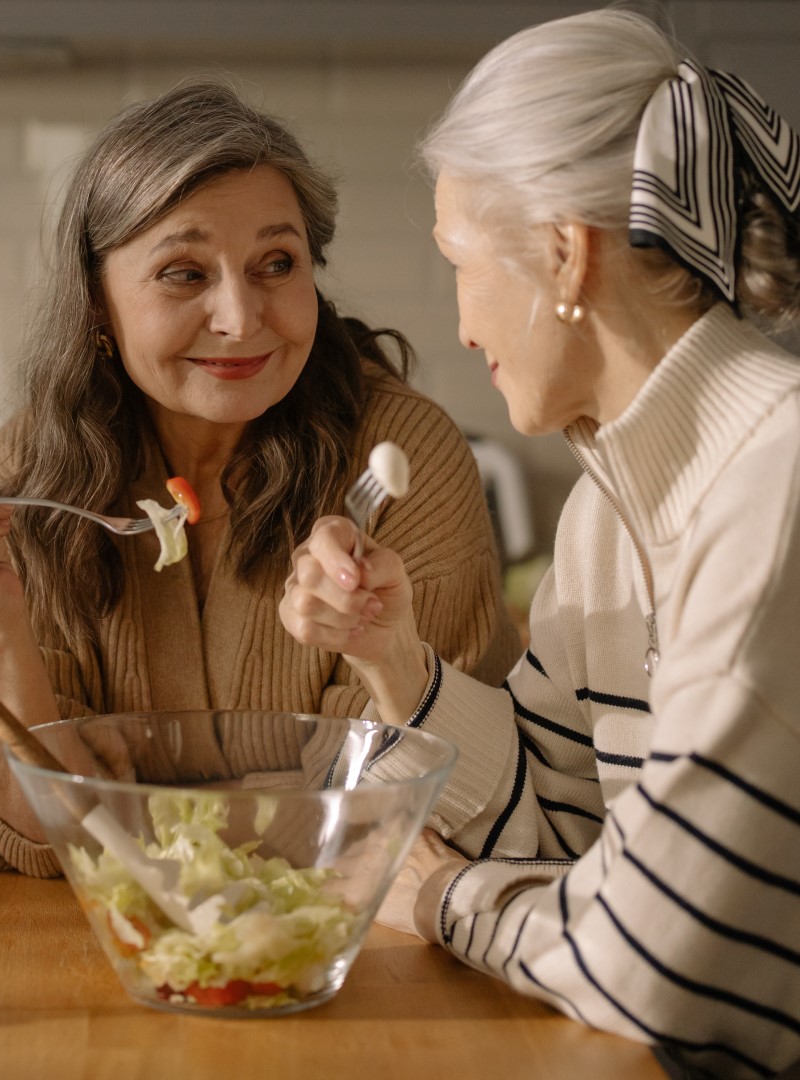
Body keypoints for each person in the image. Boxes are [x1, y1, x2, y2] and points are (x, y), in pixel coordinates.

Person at [279, 10, 800, 1078]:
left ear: (565, 254)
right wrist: (393, 655)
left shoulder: (776, 486)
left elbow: (656, 965)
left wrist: (432, 897)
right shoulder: (610, 506)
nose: (462, 326)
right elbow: (561, 823)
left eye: (462, 264)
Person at [0, 79, 521, 879]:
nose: (240, 316)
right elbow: (33, 828)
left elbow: (417, 791)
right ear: (94, 304)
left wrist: (116, 795)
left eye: (276, 264)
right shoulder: (29, 475)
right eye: (184, 273)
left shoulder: (400, 459)